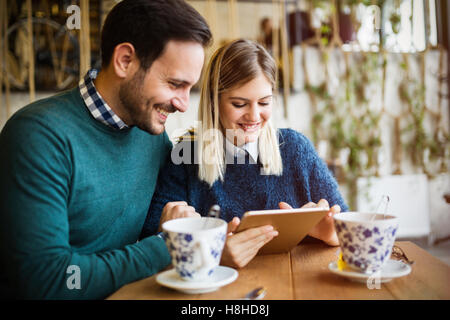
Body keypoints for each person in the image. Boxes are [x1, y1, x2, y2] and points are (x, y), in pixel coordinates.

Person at [0, 0, 211, 299]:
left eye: (189, 88)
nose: (183, 103)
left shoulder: (150, 133)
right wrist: (166, 245)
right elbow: (47, 281)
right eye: (175, 84)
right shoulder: (38, 137)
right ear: (125, 60)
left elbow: (202, 186)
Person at [141, 39, 348, 269]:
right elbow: (151, 242)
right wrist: (212, 252)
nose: (254, 116)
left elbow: (348, 229)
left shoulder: (295, 149)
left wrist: (330, 234)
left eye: (264, 102)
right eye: (240, 104)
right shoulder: (186, 156)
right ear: (214, 102)